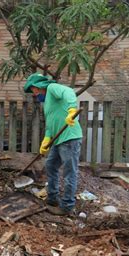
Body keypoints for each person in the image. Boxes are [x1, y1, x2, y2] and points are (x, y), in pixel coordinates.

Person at [23, 73, 82, 215]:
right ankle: (53, 198)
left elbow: (68, 92)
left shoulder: (52, 88)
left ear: (39, 86)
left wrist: (72, 109)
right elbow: (50, 124)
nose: (34, 94)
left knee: (69, 172)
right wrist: (46, 139)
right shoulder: (47, 103)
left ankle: (67, 206)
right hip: (58, 139)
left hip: (69, 138)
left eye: (34, 90)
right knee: (50, 165)